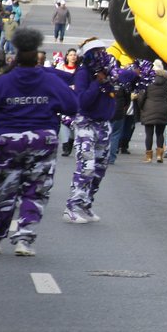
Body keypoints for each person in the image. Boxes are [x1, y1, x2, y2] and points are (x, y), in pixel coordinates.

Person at [0, 28, 78, 256]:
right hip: (42, 140)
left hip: (8, 139)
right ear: (37, 59)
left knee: (4, 190)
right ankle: (24, 239)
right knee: (35, 190)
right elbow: (72, 105)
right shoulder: (50, 81)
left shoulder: (4, 81)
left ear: (16, 57)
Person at [63, 39, 132, 224]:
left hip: (103, 125)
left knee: (100, 169)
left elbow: (124, 78)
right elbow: (83, 101)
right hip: (86, 124)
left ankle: (86, 204)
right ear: (88, 55)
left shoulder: (107, 72)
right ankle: (72, 207)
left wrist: (134, 73)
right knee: (87, 167)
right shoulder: (83, 74)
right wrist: (97, 83)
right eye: (96, 51)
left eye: (102, 50)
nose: (101, 53)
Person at [137, 59, 167, 163]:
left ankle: (149, 156)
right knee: (160, 133)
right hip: (162, 108)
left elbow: (142, 96)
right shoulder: (166, 81)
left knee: (149, 134)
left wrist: (141, 107)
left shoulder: (148, 79)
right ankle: (160, 155)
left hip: (149, 108)